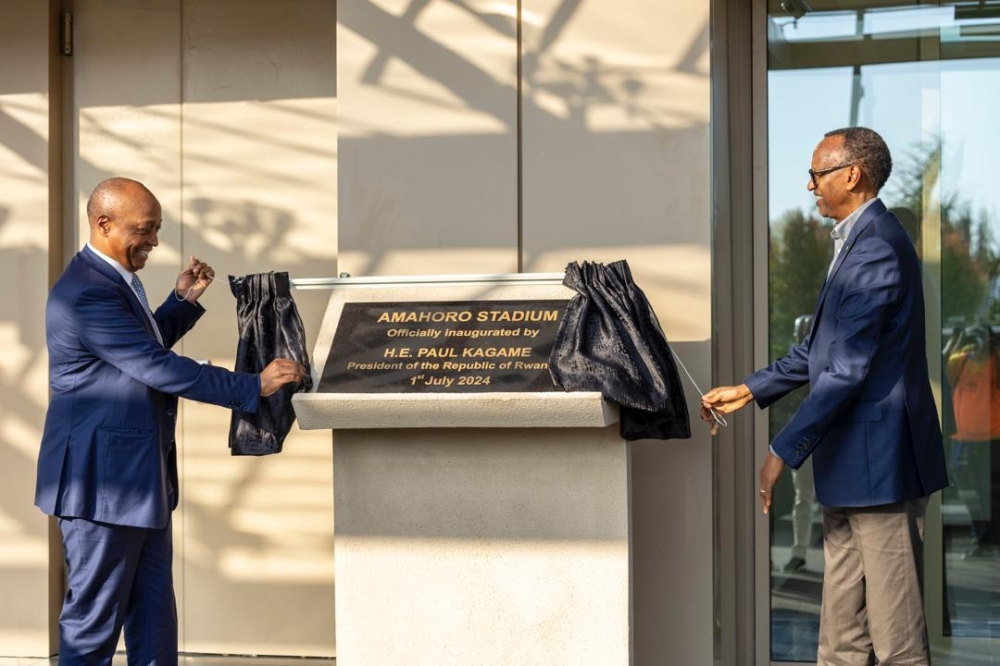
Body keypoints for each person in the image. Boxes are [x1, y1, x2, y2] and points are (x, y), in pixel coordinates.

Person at [34, 177, 307, 665]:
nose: (155, 242)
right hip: (101, 487)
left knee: (155, 623)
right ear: (104, 224)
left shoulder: (112, 282)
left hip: (140, 483)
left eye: (157, 228)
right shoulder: (87, 293)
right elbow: (155, 366)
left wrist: (181, 302)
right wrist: (252, 385)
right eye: (145, 229)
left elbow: (139, 349)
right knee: (92, 628)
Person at [701, 127, 947, 665]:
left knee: (896, 640)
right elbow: (817, 349)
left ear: (850, 175)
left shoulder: (877, 247)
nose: (809, 185)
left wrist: (781, 451)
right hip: (852, 470)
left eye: (817, 173)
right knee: (841, 639)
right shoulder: (856, 243)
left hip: (883, 471)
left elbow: (844, 371)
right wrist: (748, 389)